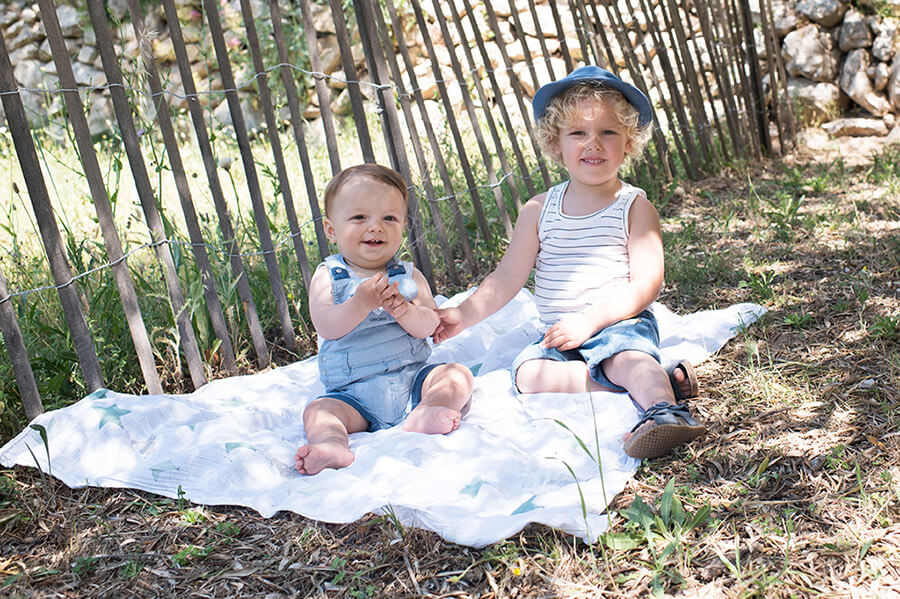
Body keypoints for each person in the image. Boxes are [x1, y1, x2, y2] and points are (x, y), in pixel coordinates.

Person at [434, 65, 705, 459]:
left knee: (628, 360)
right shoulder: (539, 210)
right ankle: (652, 380)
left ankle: (664, 409)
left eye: (608, 132)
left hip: (616, 324)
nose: (592, 143)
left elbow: (647, 283)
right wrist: (462, 314)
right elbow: (508, 276)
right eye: (578, 133)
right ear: (555, 143)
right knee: (526, 374)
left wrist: (590, 321)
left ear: (628, 142)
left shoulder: (633, 207)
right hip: (560, 334)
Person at [295, 164, 473, 475]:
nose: (376, 227)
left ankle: (428, 410)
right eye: (360, 217)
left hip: (413, 381)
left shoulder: (408, 275)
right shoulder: (328, 276)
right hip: (352, 395)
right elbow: (327, 325)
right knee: (318, 411)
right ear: (331, 229)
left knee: (457, 374)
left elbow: (430, 324)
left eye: (389, 218)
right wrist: (360, 303)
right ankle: (332, 444)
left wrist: (404, 310)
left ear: (402, 226)